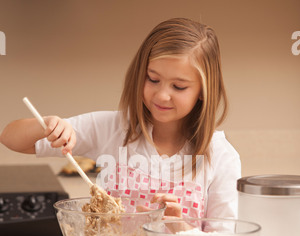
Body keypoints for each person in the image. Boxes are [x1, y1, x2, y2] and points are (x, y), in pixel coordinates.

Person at [0, 18, 241, 219]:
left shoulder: (220, 156)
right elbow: (10, 138)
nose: (162, 95)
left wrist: (178, 229)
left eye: (179, 86)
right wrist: (48, 125)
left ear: (203, 92)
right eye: (153, 79)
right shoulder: (113, 129)